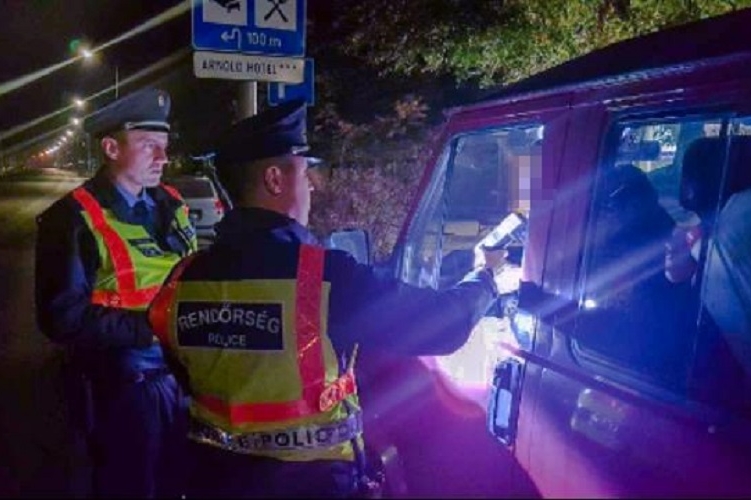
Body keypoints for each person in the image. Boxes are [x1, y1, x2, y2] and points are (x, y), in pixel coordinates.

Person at [147, 99, 506, 498]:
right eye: (305, 173)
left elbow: (183, 370)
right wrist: (487, 278)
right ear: (274, 179)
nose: (313, 186)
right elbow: (443, 324)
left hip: (215, 482)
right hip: (313, 485)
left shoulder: (184, 278)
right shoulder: (324, 276)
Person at [34, 87, 198, 498]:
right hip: (123, 389)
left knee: (181, 484)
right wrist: (152, 328)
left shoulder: (170, 203)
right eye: (148, 146)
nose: (163, 157)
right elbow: (62, 317)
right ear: (111, 148)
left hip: (185, 380)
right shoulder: (71, 218)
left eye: (164, 146)